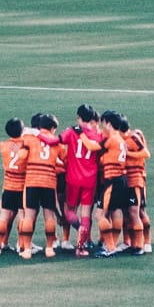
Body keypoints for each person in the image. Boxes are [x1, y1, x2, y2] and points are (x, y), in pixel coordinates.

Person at [17, 113, 65, 259]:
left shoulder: (29, 139)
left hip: (32, 181)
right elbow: (66, 160)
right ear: (51, 128)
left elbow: (22, 156)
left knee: (29, 216)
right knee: (49, 216)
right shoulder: (57, 143)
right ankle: (49, 248)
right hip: (49, 182)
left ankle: (26, 249)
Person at [59, 104, 103, 257]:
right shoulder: (98, 135)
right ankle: (81, 246)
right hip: (90, 179)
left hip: (72, 178)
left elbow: (59, 143)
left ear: (79, 117)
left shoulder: (71, 131)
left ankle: (80, 231)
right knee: (86, 213)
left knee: (69, 211)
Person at [95, 110, 131, 256]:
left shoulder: (112, 139)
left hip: (113, 180)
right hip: (122, 180)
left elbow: (94, 148)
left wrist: (81, 134)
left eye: (104, 124)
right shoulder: (121, 140)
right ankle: (113, 244)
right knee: (116, 212)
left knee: (99, 215)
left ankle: (110, 248)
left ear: (109, 124)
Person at [0, 117, 28, 256]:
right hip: (22, 186)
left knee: (3, 216)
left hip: (8, 185)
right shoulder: (26, 144)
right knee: (22, 216)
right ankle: (21, 246)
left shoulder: (3, 145)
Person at [124, 117, 152, 255]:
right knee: (130, 213)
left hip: (137, 179)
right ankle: (134, 243)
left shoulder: (134, 137)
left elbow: (146, 153)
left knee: (138, 212)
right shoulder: (123, 139)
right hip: (128, 179)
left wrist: (127, 153)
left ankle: (145, 243)